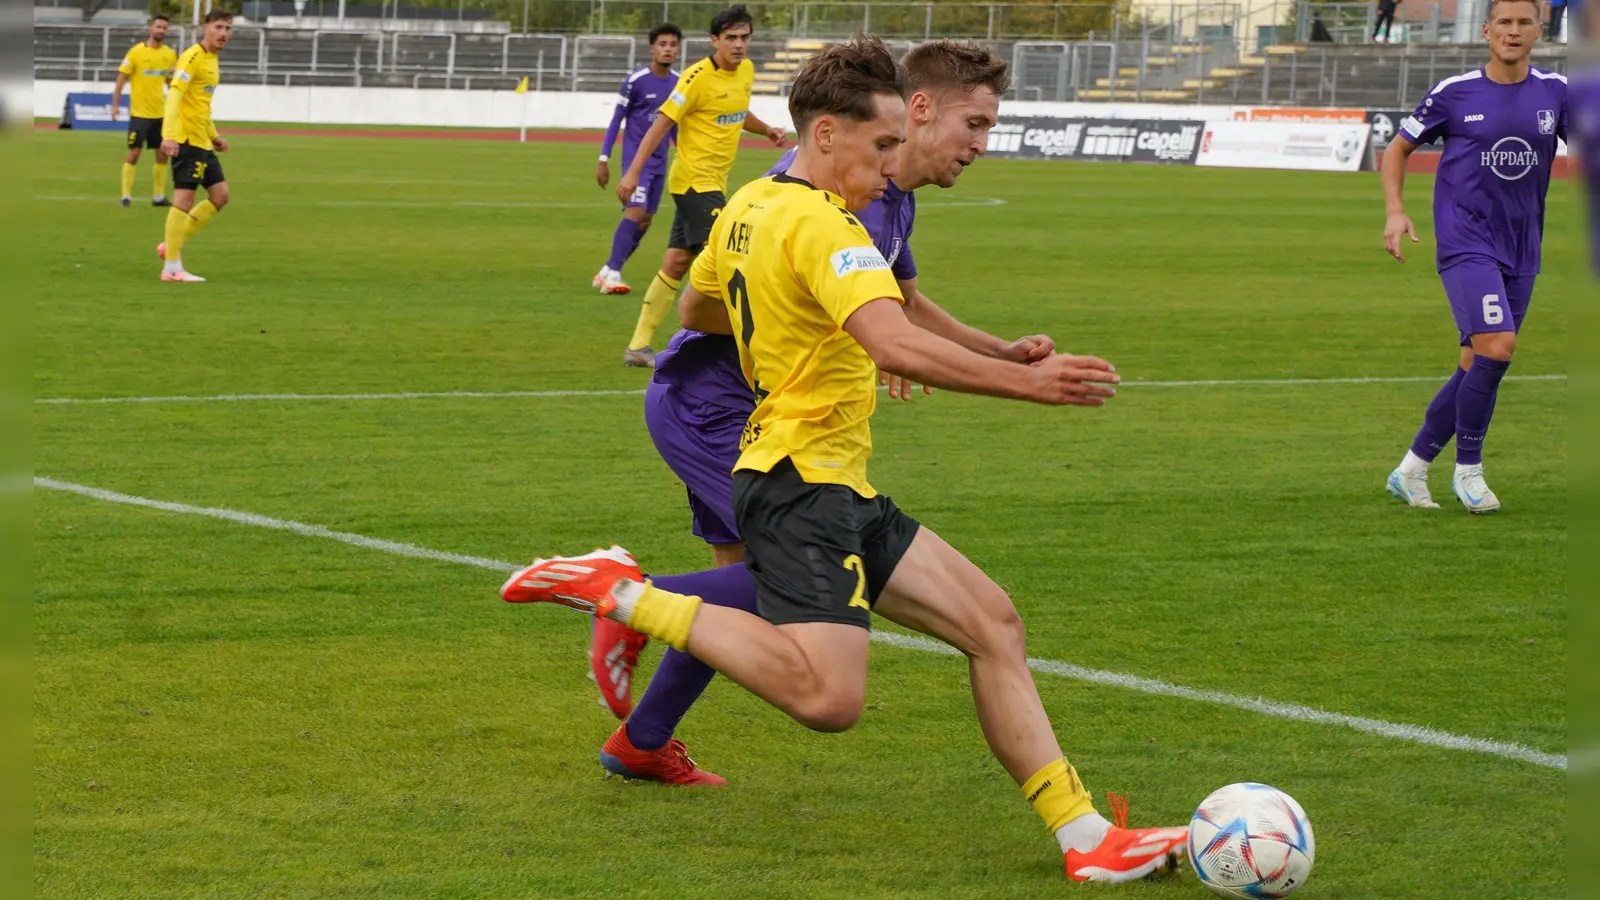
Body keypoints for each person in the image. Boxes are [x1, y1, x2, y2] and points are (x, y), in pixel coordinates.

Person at [503, 37, 1190, 885]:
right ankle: (621, 591)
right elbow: (896, 341)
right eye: (882, 147)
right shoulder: (825, 223)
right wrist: (1032, 384)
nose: (892, 164)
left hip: (833, 479)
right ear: (827, 134)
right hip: (796, 481)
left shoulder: (753, 204)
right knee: (829, 700)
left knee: (994, 625)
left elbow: (698, 305)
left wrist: (795, 326)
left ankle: (1083, 835)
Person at [586, 41, 1054, 788]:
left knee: (759, 594)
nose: (980, 145)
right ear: (919, 109)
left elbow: (899, 303)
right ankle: (631, 598)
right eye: (975, 123)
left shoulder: (883, 198)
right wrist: (846, 339)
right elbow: (735, 301)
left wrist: (992, 350)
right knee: (784, 580)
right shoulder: (817, 196)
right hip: (724, 404)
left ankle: (641, 740)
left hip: (761, 409)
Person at [1382, 0, 1566, 513]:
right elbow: (1396, 149)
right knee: (1499, 345)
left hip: (1523, 245)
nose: (1513, 31)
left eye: (1524, 22)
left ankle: (1411, 470)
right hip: (1466, 242)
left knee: (1475, 362)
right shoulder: (1454, 92)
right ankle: (1469, 470)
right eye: (1503, 22)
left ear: (1539, 29)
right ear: (1486, 31)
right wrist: (1396, 211)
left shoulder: (1557, 93)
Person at [614, 4, 786, 368]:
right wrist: (632, 173)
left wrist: (766, 128)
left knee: (677, 262)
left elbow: (738, 112)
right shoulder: (694, 78)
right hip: (694, 184)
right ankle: (749, 349)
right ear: (714, 40)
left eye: (744, 37)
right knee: (736, 257)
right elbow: (660, 125)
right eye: (731, 38)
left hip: (712, 185)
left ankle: (639, 346)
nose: (739, 45)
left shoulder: (747, 72)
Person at [592, 24, 682, 296]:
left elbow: (673, 124)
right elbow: (616, 120)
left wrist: (684, 151)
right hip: (636, 161)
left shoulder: (679, 82)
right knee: (636, 212)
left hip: (660, 162)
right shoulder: (636, 81)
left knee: (645, 221)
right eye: (663, 44)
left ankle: (608, 268)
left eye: (672, 45)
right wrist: (603, 158)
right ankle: (614, 273)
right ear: (652, 47)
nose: (668, 49)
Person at [155, 9, 234, 284]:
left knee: (221, 196)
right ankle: (172, 267)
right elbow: (175, 95)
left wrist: (214, 135)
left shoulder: (212, 60)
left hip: (202, 139)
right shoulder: (192, 57)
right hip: (185, 139)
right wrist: (168, 135)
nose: (224, 33)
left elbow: (200, 104)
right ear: (206, 28)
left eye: (228, 28)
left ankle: (170, 244)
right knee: (184, 201)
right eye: (219, 27)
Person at [111, 15, 176, 208]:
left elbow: (170, 82)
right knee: (134, 153)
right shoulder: (136, 52)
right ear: (150, 29)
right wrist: (115, 104)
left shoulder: (170, 55)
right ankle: (125, 196)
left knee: (162, 155)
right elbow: (121, 78)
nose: (161, 30)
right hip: (139, 114)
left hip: (160, 114)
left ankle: (158, 196)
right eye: (158, 27)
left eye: (164, 27)